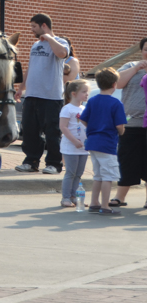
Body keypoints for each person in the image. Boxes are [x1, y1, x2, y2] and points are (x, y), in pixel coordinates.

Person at [15, 13, 69, 174]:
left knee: (52, 132)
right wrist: (21, 88)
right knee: (30, 131)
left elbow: (62, 54)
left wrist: (49, 38)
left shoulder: (60, 42)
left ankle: (54, 163)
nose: (32, 30)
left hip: (51, 97)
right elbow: (30, 68)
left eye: (34, 26)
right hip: (32, 95)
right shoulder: (35, 45)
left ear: (44, 25)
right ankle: (31, 161)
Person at [79, 68, 126, 215]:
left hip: (93, 142)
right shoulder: (116, 103)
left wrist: (94, 127)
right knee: (108, 176)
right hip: (107, 143)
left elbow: (83, 118)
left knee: (98, 175)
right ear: (114, 84)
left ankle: (94, 202)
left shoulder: (92, 100)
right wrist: (122, 131)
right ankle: (105, 205)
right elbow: (119, 126)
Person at [113, 39, 147, 209]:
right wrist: (135, 69)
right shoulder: (131, 66)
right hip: (130, 123)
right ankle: (120, 197)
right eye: (146, 49)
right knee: (126, 160)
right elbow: (117, 83)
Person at [58, 79, 90, 208]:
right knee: (70, 173)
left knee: (79, 174)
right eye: (84, 92)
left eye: (87, 92)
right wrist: (74, 141)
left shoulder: (84, 108)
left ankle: (74, 196)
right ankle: (65, 197)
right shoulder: (67, 109)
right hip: (71, 147)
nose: (87, 94)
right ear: (73, 94)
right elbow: (63, 127)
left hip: (83, 148)